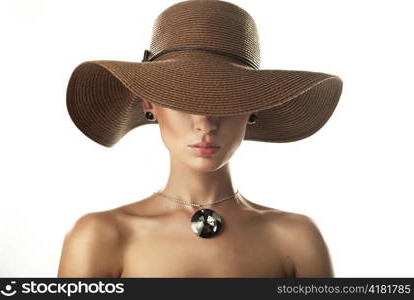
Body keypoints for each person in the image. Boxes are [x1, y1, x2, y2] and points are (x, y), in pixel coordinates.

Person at [58, 0, 342, 278]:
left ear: (254, 107)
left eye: (226, 99)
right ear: (149, 104)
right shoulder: (100, 237)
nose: (204, 124)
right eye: (181, 99)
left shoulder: (297, 239)